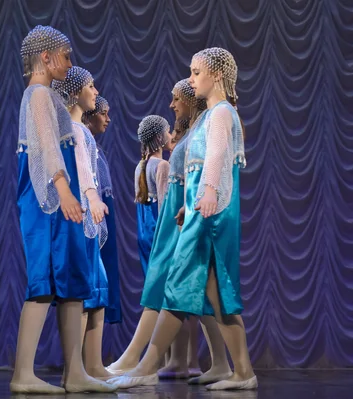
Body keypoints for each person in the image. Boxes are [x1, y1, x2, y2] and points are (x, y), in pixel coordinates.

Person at [108, 48, 257, 391]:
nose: (191, 80)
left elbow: (217, 156)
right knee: (217, 295)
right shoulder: (212, 115)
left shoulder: (220, 112)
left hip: (211, 213)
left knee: (178, 287)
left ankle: (145, 365)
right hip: (204, 209)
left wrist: (204, 194)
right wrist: (190, 204)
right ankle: (243, 372)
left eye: (195, 72)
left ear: (216, 75)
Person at [11, 25, 114, 394]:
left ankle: (75, 372)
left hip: (60, 196)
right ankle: (23, 373)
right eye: (66, 57)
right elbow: (46, 148)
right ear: (46, 57)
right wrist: (64, 189)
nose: (70, 65)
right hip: (45, 197)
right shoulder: (38, 93)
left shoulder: (49, 97)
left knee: (70, 281)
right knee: (42, 281)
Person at [53, 68, 115, 382]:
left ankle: (90, 365)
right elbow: (82, 172)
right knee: (83, 288)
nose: (95, 90)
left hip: (85, 219)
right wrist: (92, 199)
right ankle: (76, 368)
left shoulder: (78, 129)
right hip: (82, 218)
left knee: (95, 288)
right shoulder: (76, 130)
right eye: (91, 85)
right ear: (76, 92)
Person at [84, 96, 121, 325]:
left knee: (103, 280)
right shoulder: (85, 145)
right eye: (103, 113)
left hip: (104, 217)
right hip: (92, 218)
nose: (108, 119)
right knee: (93, 279)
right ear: (89, 115)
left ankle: (93, 359)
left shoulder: (97, 149)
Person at [134, 115, 172, 277]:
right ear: (159, 137)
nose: (171, 136)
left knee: (151, 280)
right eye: (168, 132)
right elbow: (165, 205)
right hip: (158, 230)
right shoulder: (162, 165)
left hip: (144, 232)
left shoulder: (139, 166)